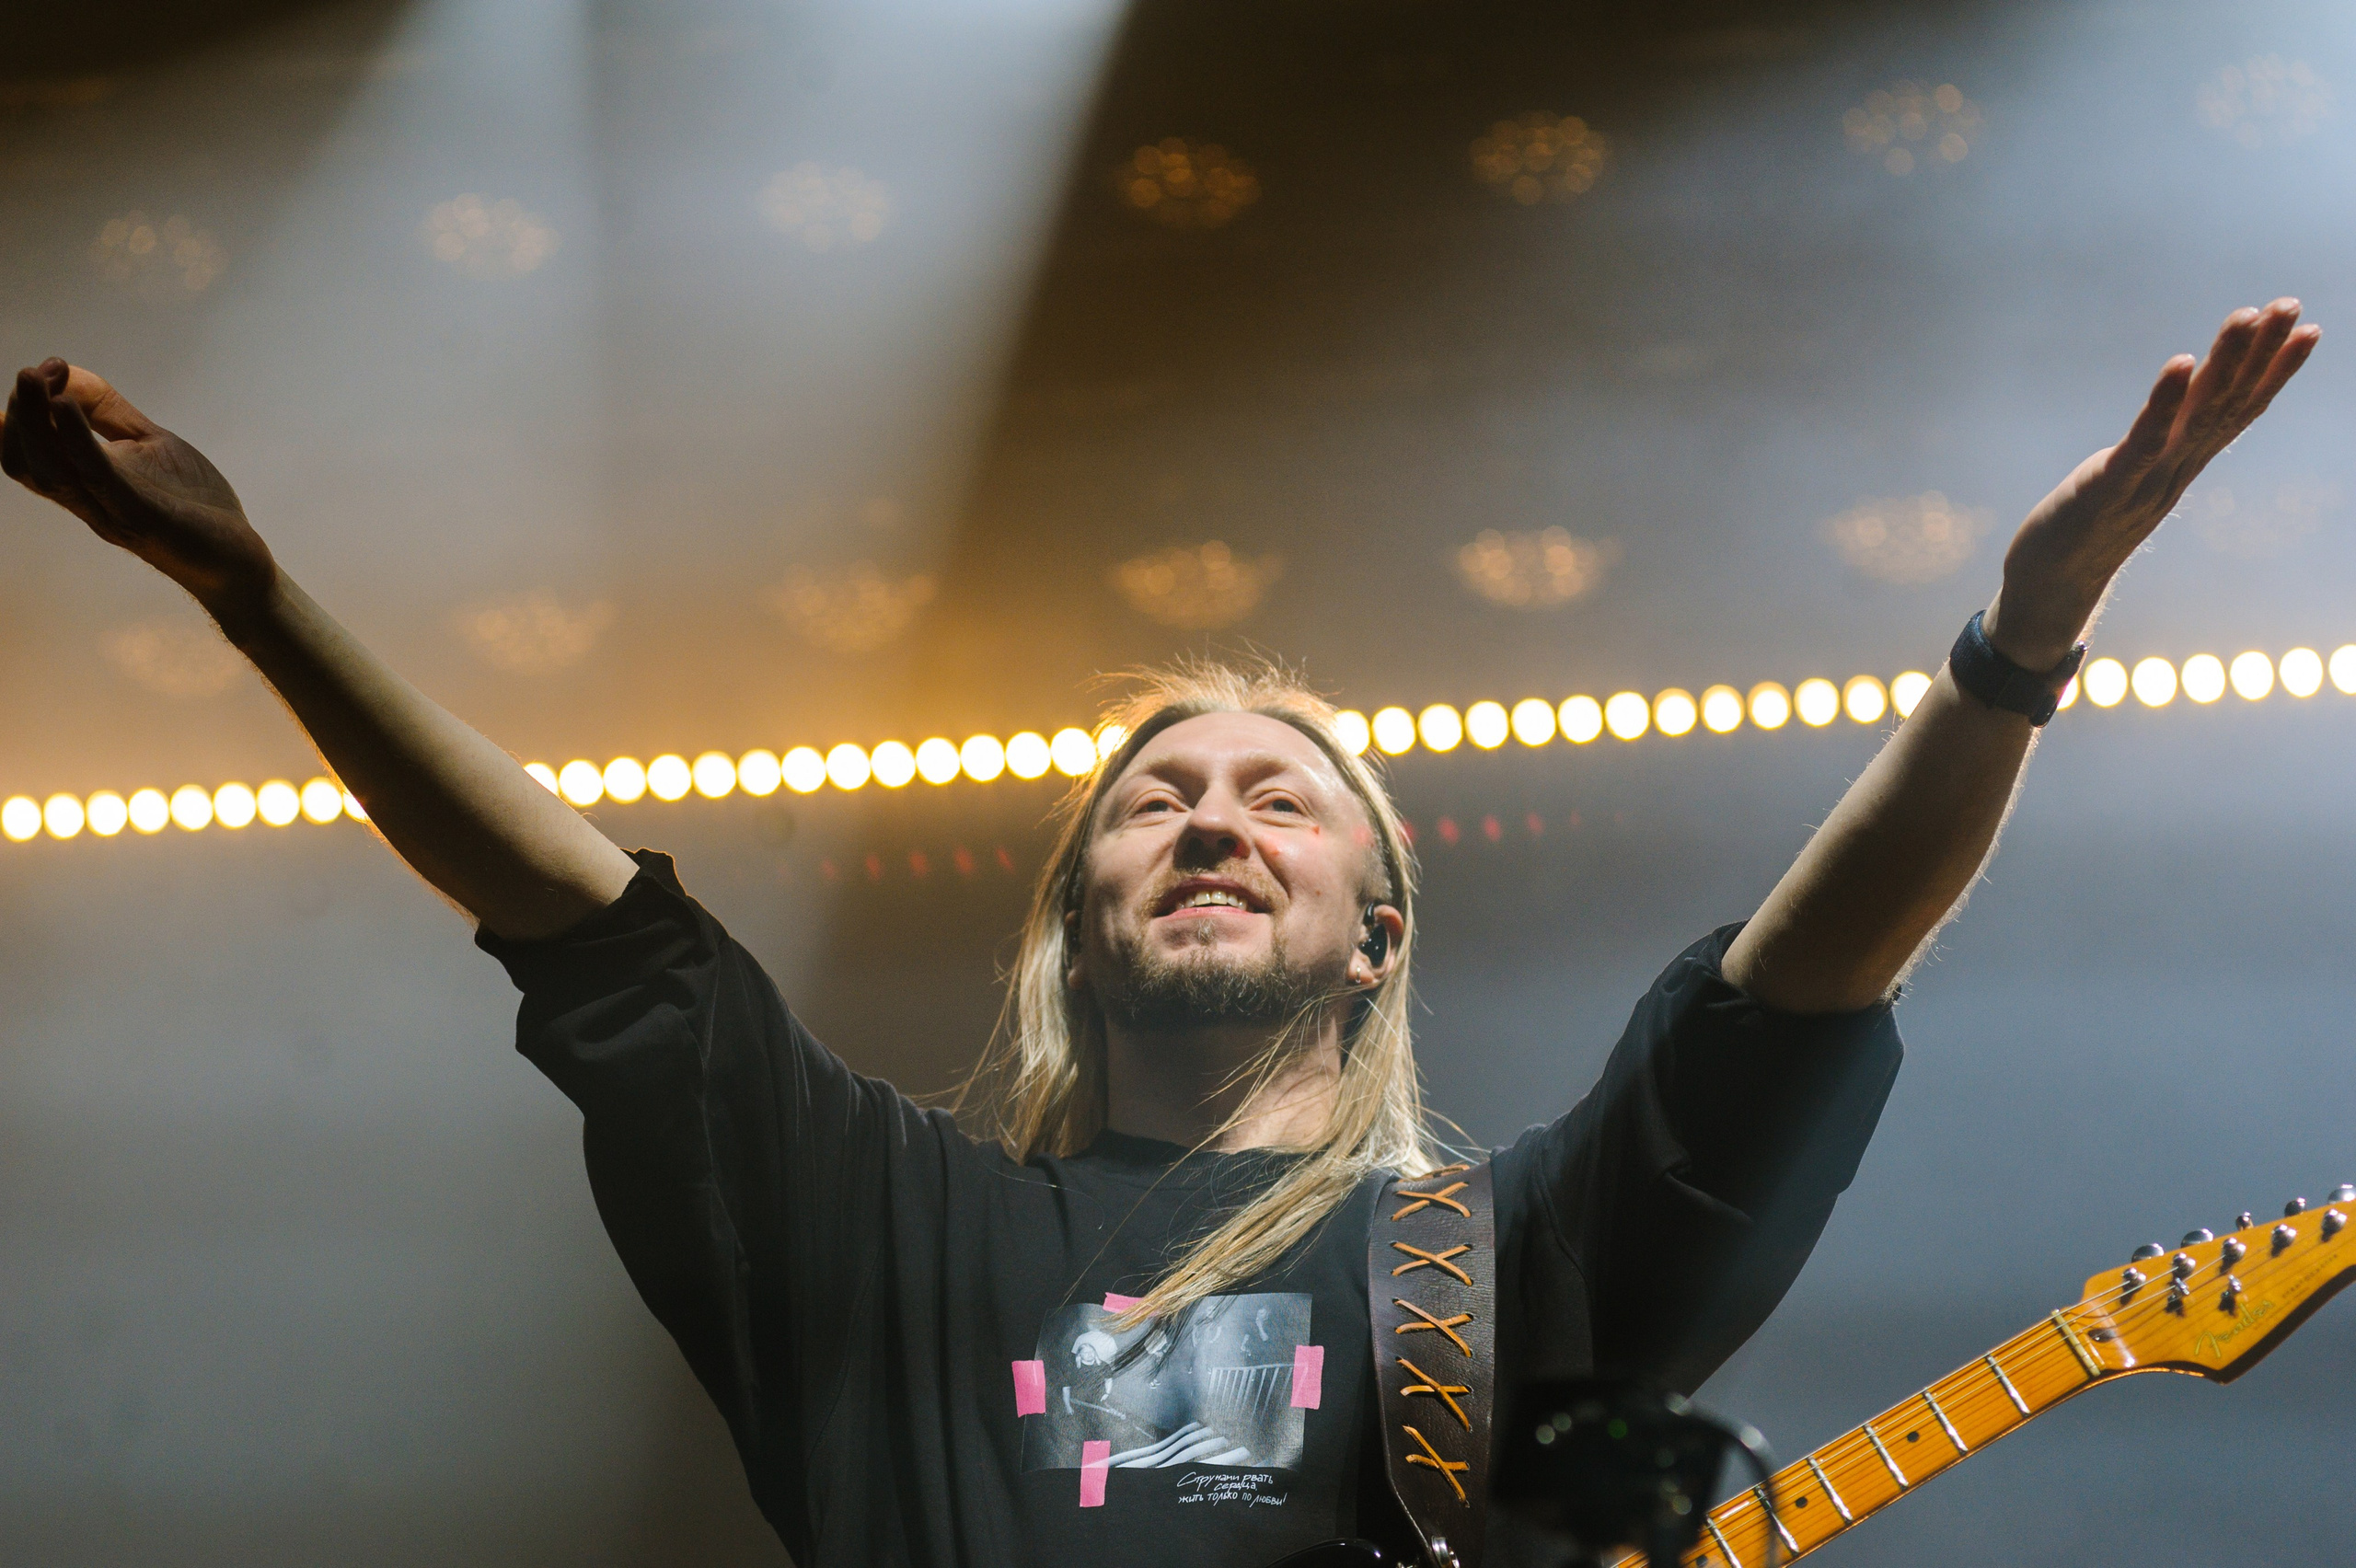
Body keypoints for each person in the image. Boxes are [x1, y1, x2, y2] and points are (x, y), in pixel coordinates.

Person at [0, 298, 2317, 1568]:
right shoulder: (883, 1226)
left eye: (1276, 796)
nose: (1209, 819)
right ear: (1072, 930)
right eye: (1151, 802)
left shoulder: (1489, 1253)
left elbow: (1790, 990)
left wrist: (2017, 643)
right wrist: (255, 595)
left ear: (1372, 930)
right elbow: (592, 929)